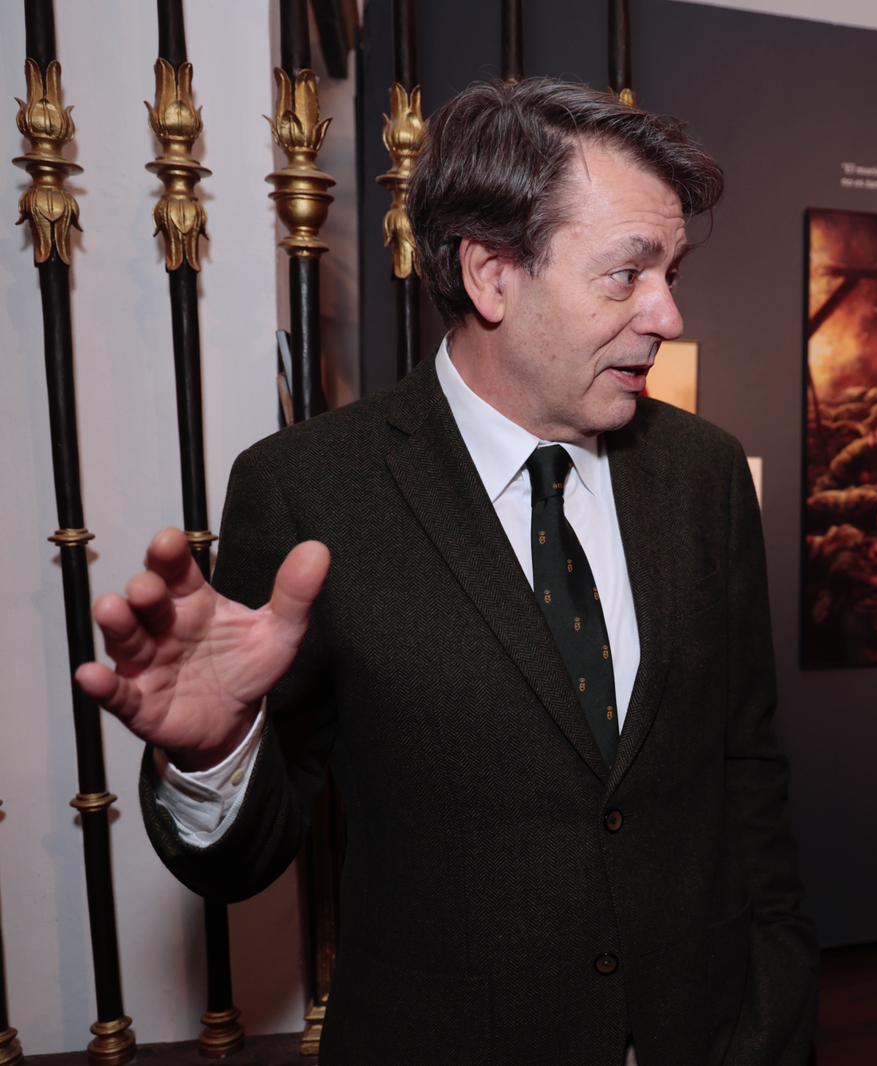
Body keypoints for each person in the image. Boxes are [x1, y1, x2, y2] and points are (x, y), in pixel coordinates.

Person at [77, 78, 817, 1065]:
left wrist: (778, 1010)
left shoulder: (703, 474)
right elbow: (248, 856)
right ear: (491, 274)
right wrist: (217, 756)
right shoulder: (308, 490)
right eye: (626, 274)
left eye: (670, 272)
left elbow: (746, 769)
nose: (669, 314)